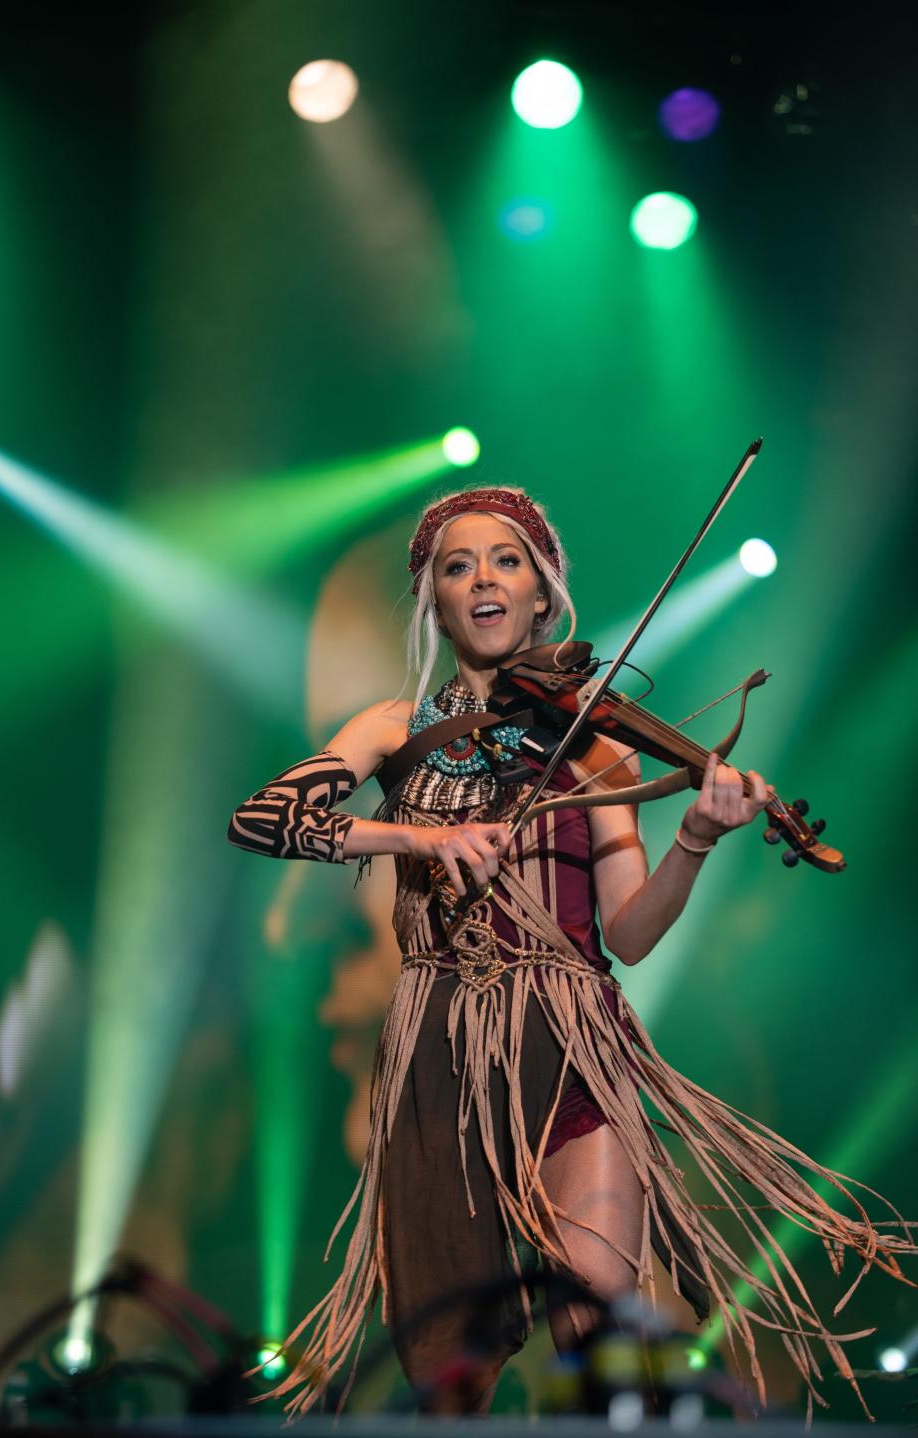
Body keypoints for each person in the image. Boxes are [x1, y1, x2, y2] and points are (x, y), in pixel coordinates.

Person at [227, 486, 916, 1421]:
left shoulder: (598, 750)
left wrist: (699, 839)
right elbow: (265, 819)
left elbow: (627, 934)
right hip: (439, 1047)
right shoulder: (393, 731)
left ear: (544, 594)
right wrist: (414, 842)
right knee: (446, 1370)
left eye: (507, 561)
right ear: (433, 599)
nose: (483, 579)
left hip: (570, 1034)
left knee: (599, 1342)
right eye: (458, 565)